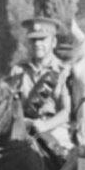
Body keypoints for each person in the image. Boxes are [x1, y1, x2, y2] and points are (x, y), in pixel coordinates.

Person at [6, 15, 74, 162]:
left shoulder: (64, 71)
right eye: (33, 40)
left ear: (54, 42)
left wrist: (45, 125)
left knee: (67, 165)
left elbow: (67, 111)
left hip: (56, 130)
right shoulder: (18, 71)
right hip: (23, 130)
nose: (37, 44)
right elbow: (10, 107)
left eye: (43, 39)